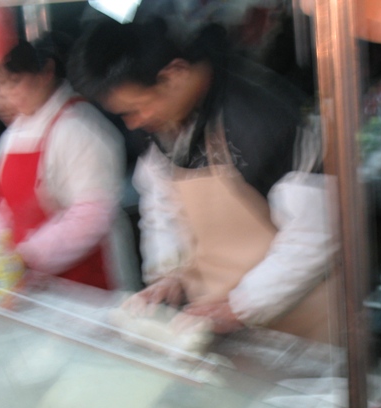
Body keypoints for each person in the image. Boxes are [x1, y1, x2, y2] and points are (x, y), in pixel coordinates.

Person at [70, 19, 336, 342]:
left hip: (301, 329)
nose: (135, 123)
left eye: (137, 109)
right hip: (217, 328)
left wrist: (244, 305)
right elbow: (161, 205)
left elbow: (317, 232)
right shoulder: (160, 128)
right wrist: (170, 275)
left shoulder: (260, 120)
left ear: (175, 75)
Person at [0, 33, 127, 290]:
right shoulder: (14, 133)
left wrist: (26, 258)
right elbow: (4, 213)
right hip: (28, 282)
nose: (4, 95)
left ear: (46, 71)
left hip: (88, 281)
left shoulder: (81, 128)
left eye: (13, 82)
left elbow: (91, 215)